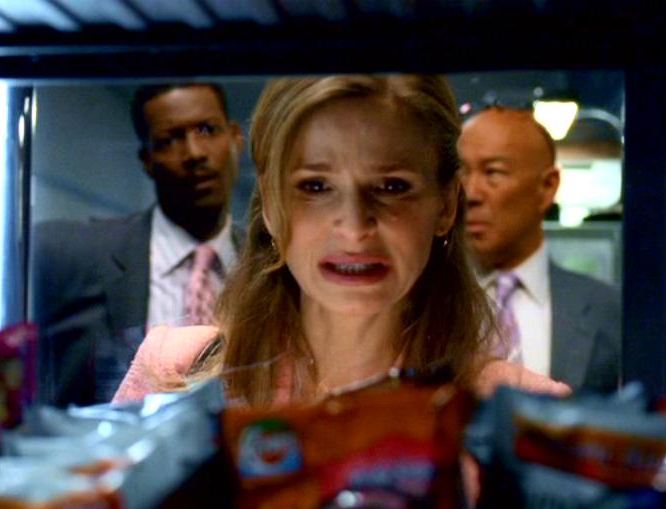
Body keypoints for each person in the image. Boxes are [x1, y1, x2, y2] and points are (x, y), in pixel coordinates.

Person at [113, 75, 571, 407]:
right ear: (270, 204)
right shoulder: (174, 373)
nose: (353, 229)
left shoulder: (526, 414)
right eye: (315, 186)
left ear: (446, 205)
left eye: (391, 186)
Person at [33, 83, 245, 406]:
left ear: (235, 139)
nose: (194, 153)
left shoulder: (278, 266)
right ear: (147, 160)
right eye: (169, 140)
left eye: (207, 130)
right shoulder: (73, 254)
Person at [458, 106, 621, 393]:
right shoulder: (415, 310)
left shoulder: (610, 310)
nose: (470, 194)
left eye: (493, 173)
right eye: (460, 173)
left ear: (547, 187)